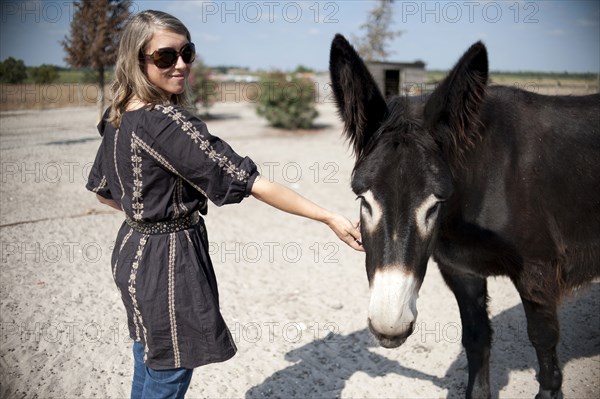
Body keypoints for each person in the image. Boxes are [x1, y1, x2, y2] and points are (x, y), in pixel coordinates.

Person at [86, 9, 363, 398]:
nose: (181, 65)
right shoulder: (165, 122)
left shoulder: (116, 114)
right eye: (166, 57)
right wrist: (328, 216)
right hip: (168, 261)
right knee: (171, 369)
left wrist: (143, 214)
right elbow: (252, 182)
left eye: (188, 53)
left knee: (148, 353)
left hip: (131, 250)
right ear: (137, 61)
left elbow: (103, 192)